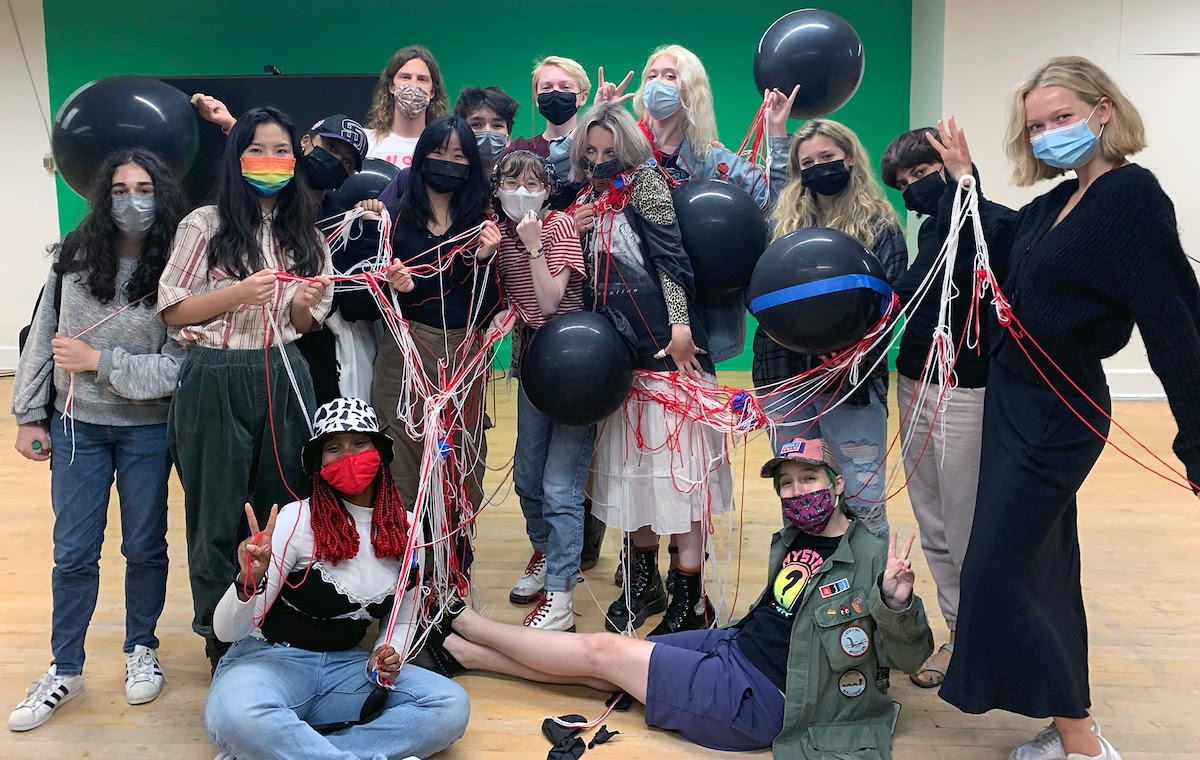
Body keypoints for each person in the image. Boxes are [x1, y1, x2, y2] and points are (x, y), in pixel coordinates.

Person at [929, 56, 1200, 760]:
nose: (1049, 134)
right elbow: (1002, 237)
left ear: (1103, 111)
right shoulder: (1056, 203)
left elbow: (1175, 325)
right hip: (1013, 400)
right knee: (1045, 567)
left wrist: (1197, 438)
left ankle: (1083, 741)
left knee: (997, 568)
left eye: (1062, 119)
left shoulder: (1131, 197)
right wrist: (967, 182)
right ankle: (1067, 719)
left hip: (1061, 409)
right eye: (1037, 126)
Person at [417, 439, 932, 758]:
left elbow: (910, 656)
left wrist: (896, 602)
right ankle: (467, 655)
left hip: (759, 700)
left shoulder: (873, 558)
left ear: (837, 484)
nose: (797, 493)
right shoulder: (795, 536)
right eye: (788, 484)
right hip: (733, 646)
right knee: (609, 668)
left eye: (810, 479)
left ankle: (463, 623)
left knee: (607, 652)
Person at [8, 149, 187, 731]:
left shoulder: (179, 270)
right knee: (73, 551)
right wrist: (28, 415)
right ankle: (65, 668)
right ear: (101, 196)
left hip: (146, 431)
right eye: (117, 189)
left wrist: (100, 361)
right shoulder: (74, 259)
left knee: (145, 546)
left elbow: (175, 371)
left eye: (143, 187)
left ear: (161, 195)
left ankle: (142, 648)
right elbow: (42, 338)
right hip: (75, 427)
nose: (130, 200)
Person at [158, 106, 334, 672]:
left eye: (282, 150)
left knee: (281, 509)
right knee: (215, 513)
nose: (271, 161)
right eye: (258, 149)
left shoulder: (303, 232)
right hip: (214, 375)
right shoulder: (203, 225)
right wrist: (236, 295)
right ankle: (220, 634)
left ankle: (274, 621)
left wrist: (304, 308)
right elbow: (172, 309)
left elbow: (305, 324)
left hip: (284, 373)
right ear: (237, 158)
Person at [205, 397, 470, 760]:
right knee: (236, 716)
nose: (348, 455)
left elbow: (405, 615)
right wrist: (247, 582)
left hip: (347, 671)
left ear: (379, 452)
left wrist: (385, 653)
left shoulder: (407, 528)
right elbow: (225, 633)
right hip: (269, 663)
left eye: (359, 442)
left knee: (449, 706)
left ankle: (283, 751)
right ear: (319, 463)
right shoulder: (296, 520)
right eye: (334, 447)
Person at [567, 102, 731, 636]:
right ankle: (643, 582)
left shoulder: (649, 186)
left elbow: (671, 259)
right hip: (620, 356)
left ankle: (691, 594)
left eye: (610, 151)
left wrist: (680, 327)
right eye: (590, 152)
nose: (600, 160)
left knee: (679, 481)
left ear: (630, 148)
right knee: (635, 476)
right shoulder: (586, 198)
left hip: (667, 351)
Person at [879, 128, 1016, 689]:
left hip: (966, 391)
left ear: (953, 165)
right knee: (932, 521)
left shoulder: (998, 223)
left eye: (922, 174)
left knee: (962, 524)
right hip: (914, 382)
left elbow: (983, 257)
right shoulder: (930, 230)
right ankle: (959, 633)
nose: (914, 188)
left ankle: (984, 642)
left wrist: (966, 184)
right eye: (904, 183)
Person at [753, 119, 909, 539]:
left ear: (850, 157)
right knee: (801, 496)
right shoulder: (780, 223)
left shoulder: (880, 224)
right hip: (783, 374)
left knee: (861, 496)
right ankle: (804, 592)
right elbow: (763, 290)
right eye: (808, 162)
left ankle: (872, 595)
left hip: (851, 382)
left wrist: (845, 346)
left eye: (827, 157)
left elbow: (891, 302)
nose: (819, 167)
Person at [370, 116, 501, 579]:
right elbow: (365, 295)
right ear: (421, 155)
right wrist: (394, 286)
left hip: (465, 355)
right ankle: (404, 579)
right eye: (439, 153)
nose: (448, 163)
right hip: (406, 348)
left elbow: (493, 304)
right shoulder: (395, 217)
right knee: (401, 458)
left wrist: (486, 259)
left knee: (462, 463)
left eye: (460, 156)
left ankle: (452, 575)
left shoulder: (483, 221)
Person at [490, 150, 590, 630]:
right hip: (530, 357)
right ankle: (548, 554)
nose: (522, 192)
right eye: (512, 182)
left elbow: (550, 301)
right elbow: (510, 299)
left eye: (533, 184)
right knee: (527, 478)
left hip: (574, 360)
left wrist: (532, 246)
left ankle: (561, 599)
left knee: (559, 484)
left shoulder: (558, 228)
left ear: (549, 190)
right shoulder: (499, 232)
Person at [378, 85, 520, 206]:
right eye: (476, 124)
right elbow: (379, 222)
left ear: (508, 136)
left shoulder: (513, 189)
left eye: (497, 125)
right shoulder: (413, 178)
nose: (488, 132)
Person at [508, 56, 592, 206]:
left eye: (565, 87)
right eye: (546, 88)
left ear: (583, 97)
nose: (555, 93)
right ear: (536, 98)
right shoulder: (520, 149)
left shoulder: (594, 150)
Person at [364, 45, 449, 168]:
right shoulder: (366, 142)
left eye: (422, 79)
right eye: (405, 77)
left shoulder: (443, 147)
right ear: (391, 87)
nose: (413, 84)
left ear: (432, 92)